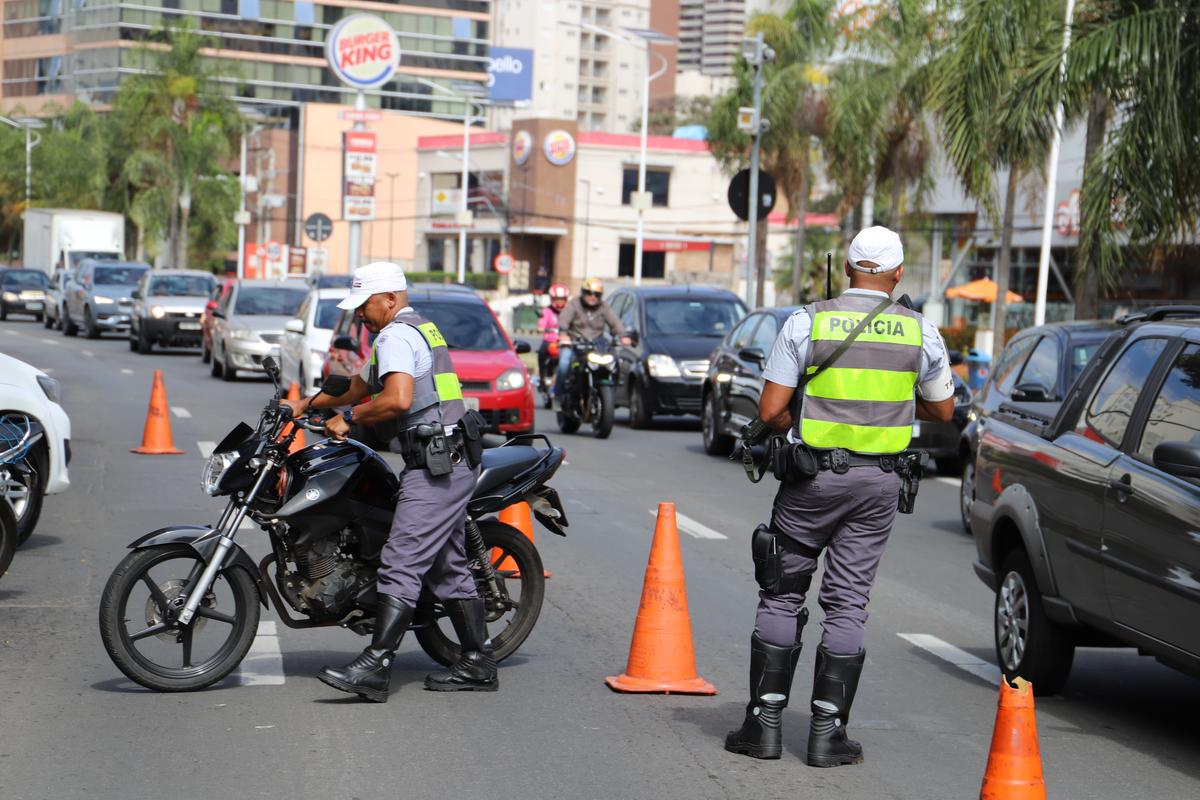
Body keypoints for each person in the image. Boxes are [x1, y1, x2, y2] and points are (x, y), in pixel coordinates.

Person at [724, 226, 955, 765]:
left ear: (848, 267)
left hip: (810, 481)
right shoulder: (920, 332)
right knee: (847, 602)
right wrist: (892, 406)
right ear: (898, 275)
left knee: (782, 591)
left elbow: (769, 411)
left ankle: (764, 727)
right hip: (878, 486)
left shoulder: (807, 321)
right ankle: (827, 735)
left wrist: (805, 418)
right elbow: (944, 410)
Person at [280, 261, 495, 703]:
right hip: (444, 459)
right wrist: (305, 403)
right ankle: (476, 661)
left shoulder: (396, 335)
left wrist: (348, 419)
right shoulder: (410, 330)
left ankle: (376, 663)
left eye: (365, 304)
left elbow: (394, 399)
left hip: (438, 464)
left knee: (401, 558)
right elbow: (360, 384)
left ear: (391, 299)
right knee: (446, 564)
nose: (359, 313)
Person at [555, 277, 630, 404]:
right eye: (589, 293)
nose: (592, 297)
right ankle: (559, 396)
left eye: (596, 294)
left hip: (597, 343)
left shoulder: (604, 307)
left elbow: (615, 322)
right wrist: (563, 334)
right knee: (563, 364)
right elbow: (564, 319)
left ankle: (610, 393)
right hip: (575, 342)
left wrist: (623, 336)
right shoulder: (574, 304)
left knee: (615, 361)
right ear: (583, 293)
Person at [537, 283, 570, 385]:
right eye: (557, 299)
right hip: (550, 341)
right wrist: (542, 328)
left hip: (566, 341)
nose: (560, 302)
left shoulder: (569, 311)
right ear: (552, 299)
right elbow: (541, 324)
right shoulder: (547, 311)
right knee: (542, 352)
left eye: (562, 299)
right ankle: (543, 376)